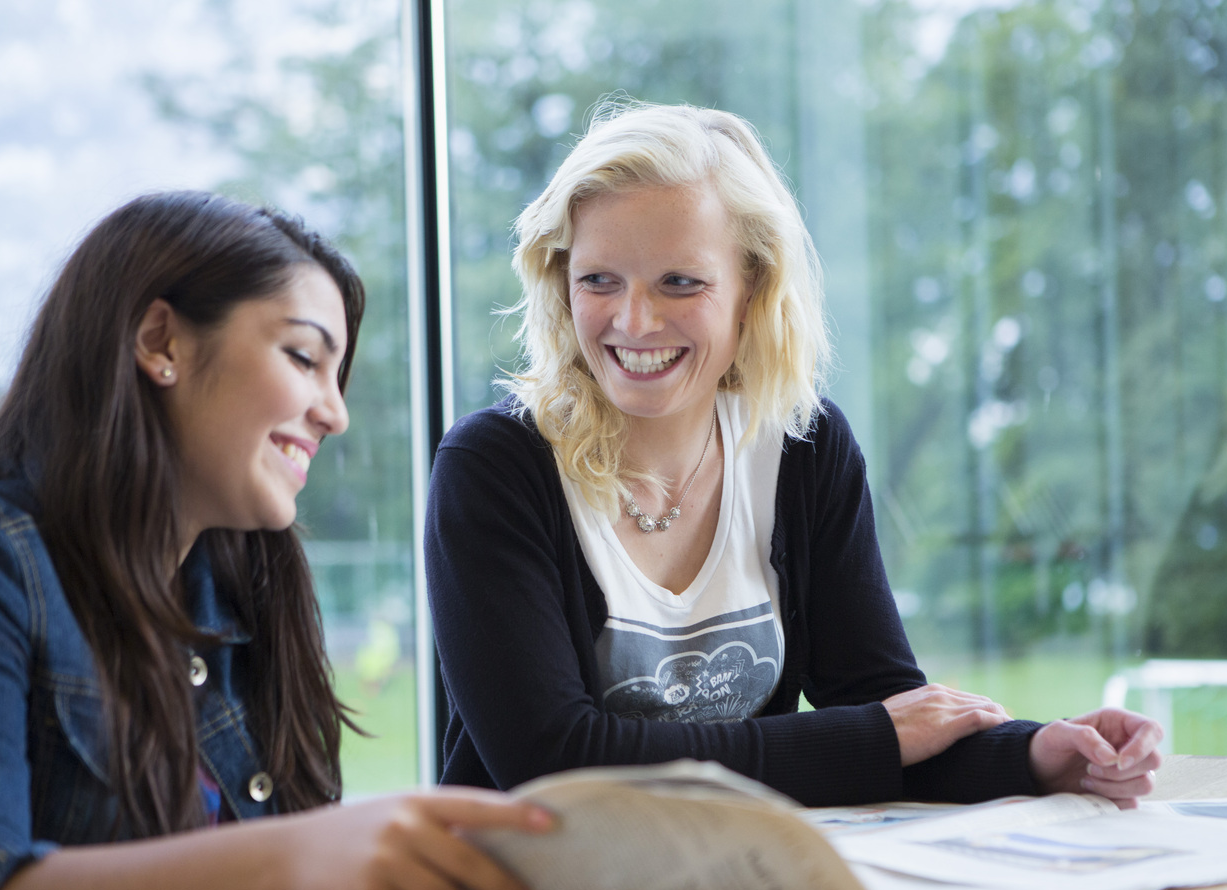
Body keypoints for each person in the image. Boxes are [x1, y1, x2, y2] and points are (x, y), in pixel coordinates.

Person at [426, 101, 1163, 809]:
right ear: (561, 283)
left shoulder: (805, 446)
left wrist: (1035, 754)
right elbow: (554, 762)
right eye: (598, 280)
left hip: (737, 880)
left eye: (680, 282)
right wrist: (865, 736)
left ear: (753, 288)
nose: (634, 320)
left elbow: (886, 707)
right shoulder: (493, 468)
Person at [0, 191, 551, 890]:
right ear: (161, 341)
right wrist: (294, 857)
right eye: (303, 356)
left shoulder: (250, 599)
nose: (335, 412)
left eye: (336, 375)